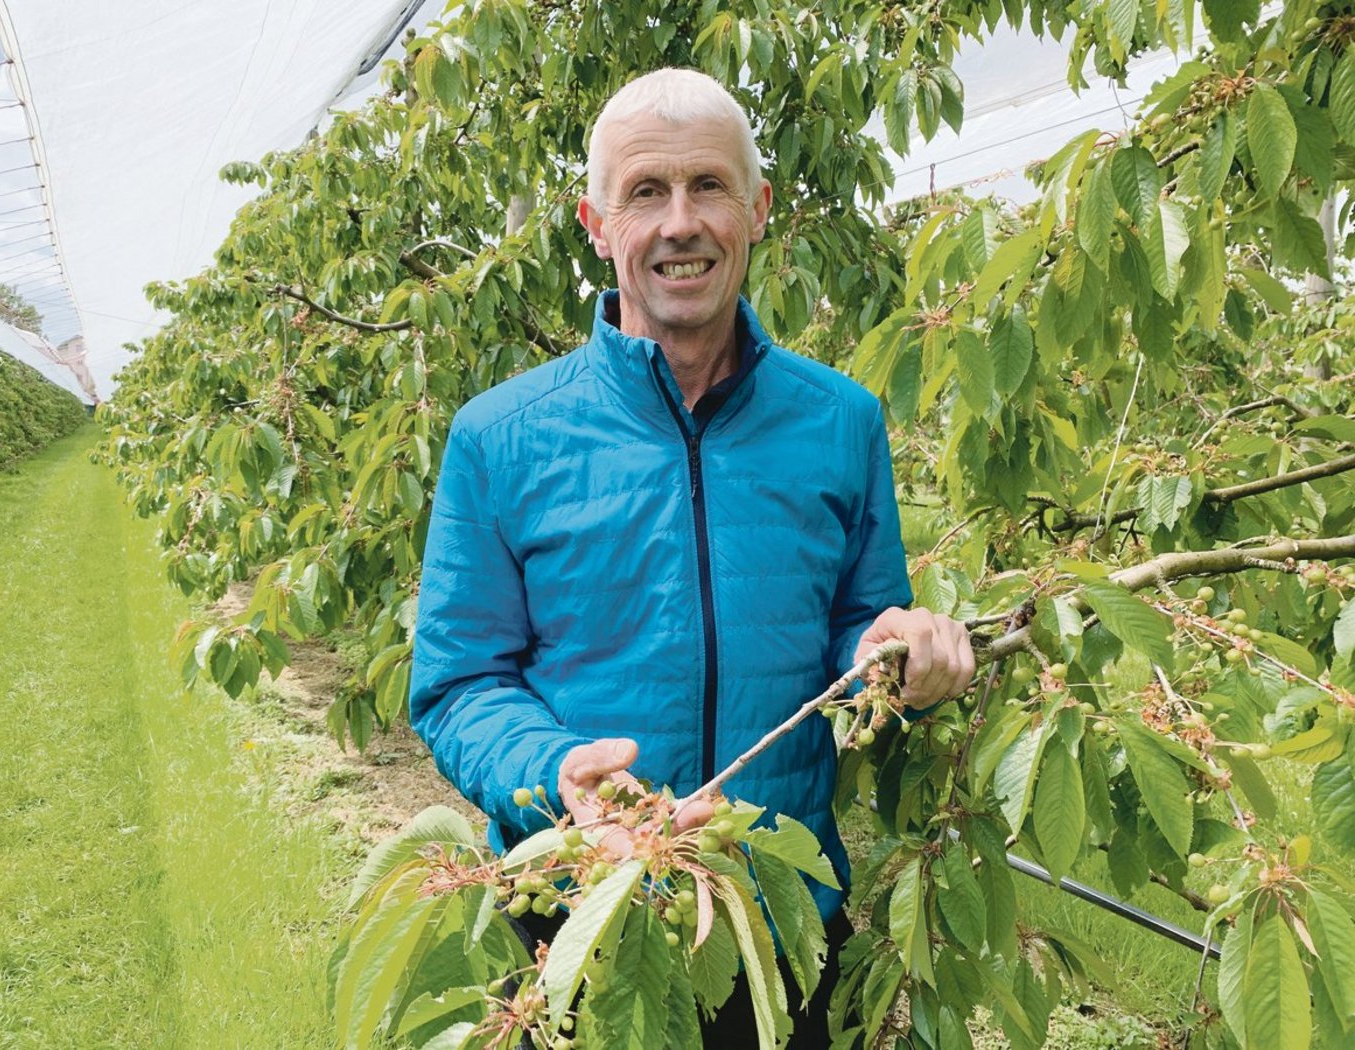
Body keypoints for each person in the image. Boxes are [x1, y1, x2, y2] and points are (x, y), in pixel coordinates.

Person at [411, 67, 974, 1046]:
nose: (680, 222)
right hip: (579, 910)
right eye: (645, 192)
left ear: (755, 210)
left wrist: (898, 653)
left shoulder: (839, 421)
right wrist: (554, 771)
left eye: (708, 187)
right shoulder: (500, 437)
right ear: (594, 223)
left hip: (780, 917)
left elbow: (858, 624)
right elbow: (459, 680)